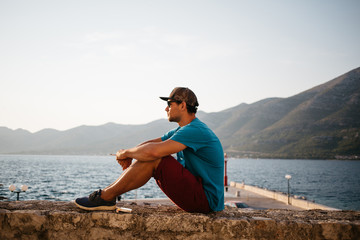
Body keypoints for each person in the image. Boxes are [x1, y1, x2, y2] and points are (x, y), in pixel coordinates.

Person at [74, 87, 224, 213]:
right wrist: (131, 153)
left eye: (169, 104)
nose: (166, 108)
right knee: (150, 153)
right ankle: (106, 195)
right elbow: (150, 144)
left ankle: (105, 198)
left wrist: (126, 154)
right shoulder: (183, 130)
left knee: (156, 157)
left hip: (206, 202)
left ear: (182, 105)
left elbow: (153, 152)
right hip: (199, 197)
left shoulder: (195, 130)